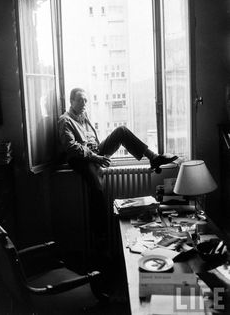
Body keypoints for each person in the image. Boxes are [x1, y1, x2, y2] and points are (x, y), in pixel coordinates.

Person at [58, 88, 177, 265]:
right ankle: (101, 244)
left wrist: (98, 153)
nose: (84, 104)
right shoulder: (65, 120)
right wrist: (95, 157)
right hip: (82, 159)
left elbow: (94, 141)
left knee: (121, 130)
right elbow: (71, 147)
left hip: (95, 152)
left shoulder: (84, 115)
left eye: (86, 100)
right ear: (71, 101)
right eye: (81, 100)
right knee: (97, 193)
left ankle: (154, 158)